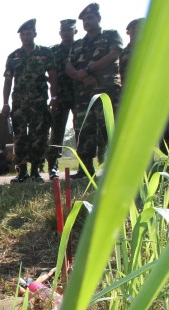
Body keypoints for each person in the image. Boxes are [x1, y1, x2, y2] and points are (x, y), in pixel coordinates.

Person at [66, 3, 122, 179]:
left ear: (98, 18)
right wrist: (79, 75)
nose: (87, 22)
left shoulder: (110, 35)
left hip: (107, 90)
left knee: (109, 128)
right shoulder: (78, 44)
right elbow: (68, 64)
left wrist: (90, 69)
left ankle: (116, 168)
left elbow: (114, 54)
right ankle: (85, 169)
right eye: (84, 20)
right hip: (84, 94)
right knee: (84, 131)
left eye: (90, 18)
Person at [2, 19, 58, 183]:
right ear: (20, 36)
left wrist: (54, 97)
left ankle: (35, 171)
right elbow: (7, 81)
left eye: (29, 33)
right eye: (23, 34)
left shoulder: (45, 53)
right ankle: (22, 172)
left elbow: (53, 76)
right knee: (19, 137)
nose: (26, 37)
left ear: (35, 34)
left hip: (39, 103)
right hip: (19, 104)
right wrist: (5, 103)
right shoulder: (13, 57)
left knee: (38, 137)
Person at [46, 19, 78, 180]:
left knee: (82, 130)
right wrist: (54, 97)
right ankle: (52, 166)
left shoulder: (82, 47)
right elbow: (51, 76)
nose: (66, 32)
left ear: (75, 31)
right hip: (60, 96)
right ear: (60, 33)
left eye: (69, 30)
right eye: (63, 30)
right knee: (57, 131)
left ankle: (85, 166)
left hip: (80, 95)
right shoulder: (53, 51)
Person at [119, 18, 144, 86]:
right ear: (128, 32)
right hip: (128, 90)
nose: (136, 30)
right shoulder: (121, 54)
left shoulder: (151, 50)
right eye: (133, 28)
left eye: (140, 27)